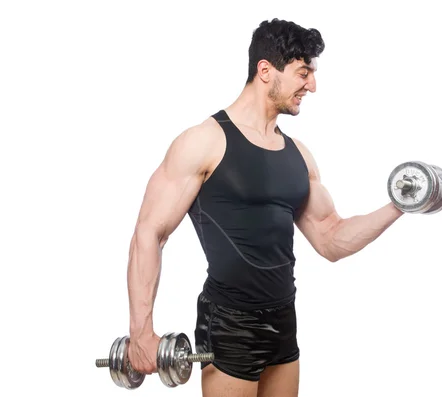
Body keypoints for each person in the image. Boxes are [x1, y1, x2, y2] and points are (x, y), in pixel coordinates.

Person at [126, 18, 404, 397]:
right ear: (265, 70)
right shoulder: (204, 141)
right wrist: (141, 331)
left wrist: (400, 204)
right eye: (303, 73)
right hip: (229, 324)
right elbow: (149, 232)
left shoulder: (298, 156)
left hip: (283, 318)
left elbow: (332, 239)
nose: (313, 85)